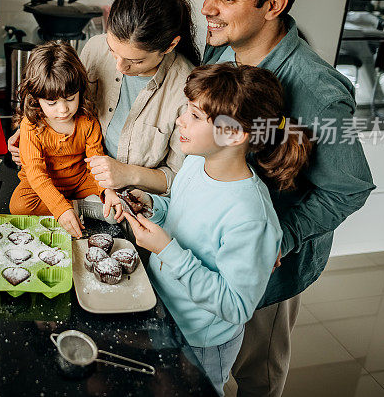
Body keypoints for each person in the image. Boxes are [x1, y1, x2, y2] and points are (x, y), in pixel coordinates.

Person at [200, 0, 375, 396]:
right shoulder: (221, 50)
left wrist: (282, 236)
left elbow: (349, 187)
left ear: (273, 5)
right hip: (213, 243)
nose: (208, 10)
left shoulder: (319, 91)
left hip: (269, 264)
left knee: (255, 375)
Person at [113, 63, 311, 396]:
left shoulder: (251, 217)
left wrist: (167, 250)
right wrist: (149, 205)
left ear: (233, 133)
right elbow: (180, 216)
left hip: (202, 341)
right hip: (167, 313)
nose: (180, 120)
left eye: (193, 115)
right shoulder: (195, 163)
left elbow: (236, 306)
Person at [8, 0, 200, 196]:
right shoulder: (95, 48)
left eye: (135, 61)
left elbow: (182, 178)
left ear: (170, 45)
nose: (120, 67)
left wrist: (128, 174)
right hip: (77, 183)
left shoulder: (189, 90)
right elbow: (66, 104)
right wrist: (33, 130)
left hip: (137, 203)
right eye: (113, 51)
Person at [8, 42, 120, 236]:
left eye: (70, 99)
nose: (63, 110)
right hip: (43, 184)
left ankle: (78, 206)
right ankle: (75, 208)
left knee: (115, 208)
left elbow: (96, 162)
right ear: (36, 98)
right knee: (18, 206)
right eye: (51, 102)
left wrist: (107, 192)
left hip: (80, 180)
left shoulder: (87, 121)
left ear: (80, 90)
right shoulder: (31, 126)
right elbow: (36, 174)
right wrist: (61, 210)